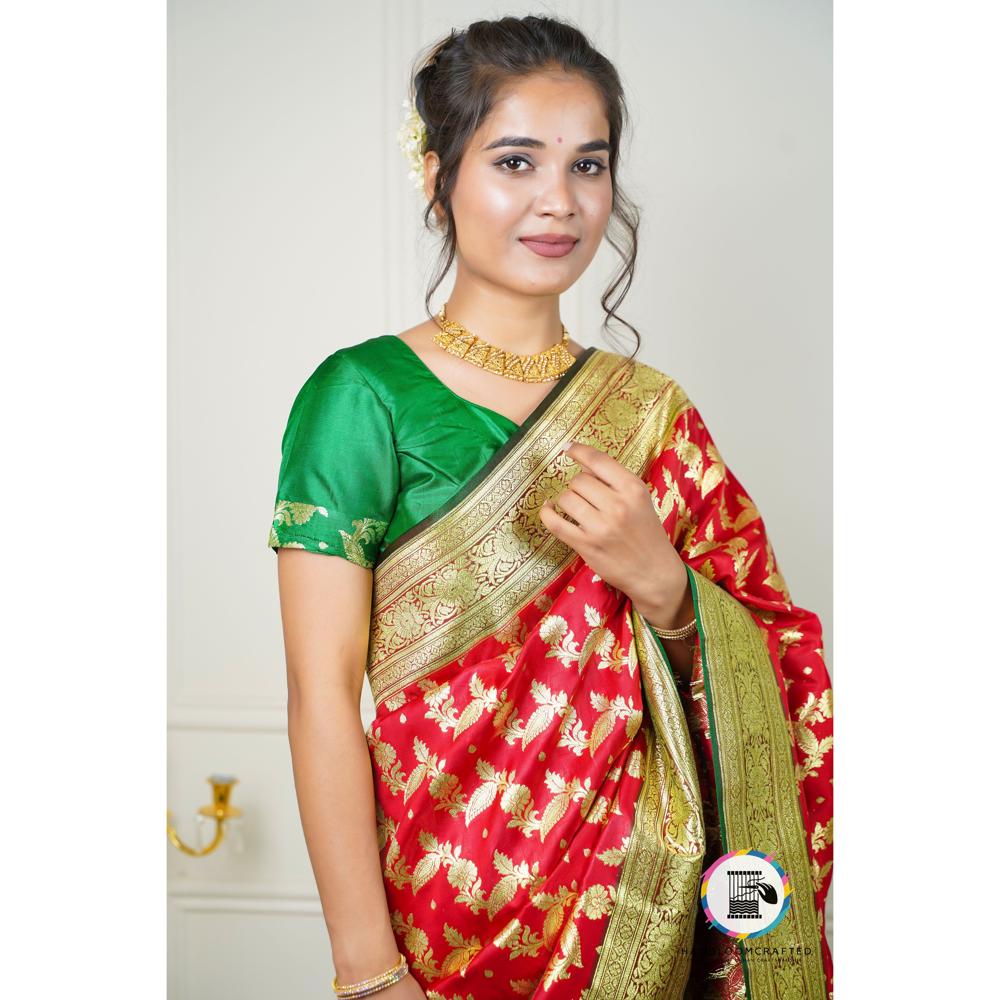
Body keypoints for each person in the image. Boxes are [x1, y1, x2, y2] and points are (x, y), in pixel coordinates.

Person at [268, 15, 832, 1000]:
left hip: (652, 923)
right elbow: (321, 698)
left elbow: (778, 658)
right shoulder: (362, 395)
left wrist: (664, 587)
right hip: (442, 923)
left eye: (587, 164)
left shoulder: (651, 412)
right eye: (516, 161)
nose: (557, 202)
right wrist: (367, 971)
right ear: (438, 173)